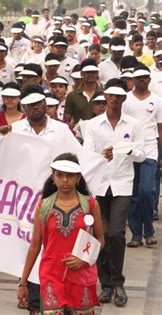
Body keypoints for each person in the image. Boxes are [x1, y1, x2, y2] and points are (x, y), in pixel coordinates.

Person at [0, 84, 83, 314]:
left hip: (54, 199)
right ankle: (32, 299)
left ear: (46, 105)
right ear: (23, 106)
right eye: (31, 104)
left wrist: (99, 159)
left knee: (49, 249)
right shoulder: (14, 129)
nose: (36, 107)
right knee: (28, 248)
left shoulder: (61, 130)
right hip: (23, 201)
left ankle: (50, 298)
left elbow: (78, 158)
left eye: (39, 103)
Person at [84, 79, 145, 307]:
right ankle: (105, 283)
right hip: (99, 184)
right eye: (110, 96)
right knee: (101, 234)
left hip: (121, 183)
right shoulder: (93, 124)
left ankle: (117, 281)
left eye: (119, 96)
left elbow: (142, 153)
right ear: (105, 97)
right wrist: (102, 155)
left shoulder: (133, 124)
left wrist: (129, 151)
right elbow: (86, 153)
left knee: (117, 234)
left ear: (123, 99)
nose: (114, 100)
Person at [17, 153, 104, 315]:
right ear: (53, 177)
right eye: (60, 175)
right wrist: (23, 283)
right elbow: (35, 246)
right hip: (51, 274)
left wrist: (83, 259)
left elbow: (100, 239)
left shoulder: (91, 205)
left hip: (81, 275)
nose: (65, 180)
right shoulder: (43, 207)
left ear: (78, 178)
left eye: (70, 176)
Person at [122, 65, 162, 248]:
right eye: (138, 78)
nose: (142, 80)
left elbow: (160, 128)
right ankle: (137, 234)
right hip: (130, 150)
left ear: (149, 79)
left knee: (147, 191)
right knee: (134, 195)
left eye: (145, 77)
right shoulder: (126, 100)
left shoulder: (157, 100)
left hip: (150, 149)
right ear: (133, 80)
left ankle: (149, 230)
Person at [64, 59, 104, 123]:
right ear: (81, 74)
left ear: (97, 73)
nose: (90, 74)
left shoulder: (105, 94)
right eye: (87, 72)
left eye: (93, 72)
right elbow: (66, 121)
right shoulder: (72, 96)